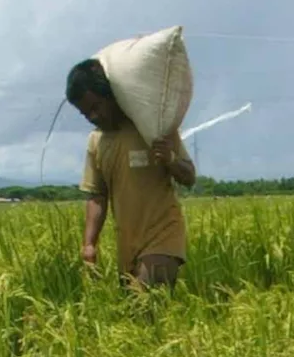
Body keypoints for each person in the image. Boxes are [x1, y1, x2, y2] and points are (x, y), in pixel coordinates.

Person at [65, 58, 196, 290]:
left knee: (142, 299)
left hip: (163, 236)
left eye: (96, 107)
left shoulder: (152, 126)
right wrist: (89, 245)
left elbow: (189, 176)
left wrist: (170, 160)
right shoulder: (96, 141)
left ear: (111, 96)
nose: (93, 116)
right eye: (86, 113)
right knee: (138, 318)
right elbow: (97, 195)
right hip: (127, 246)